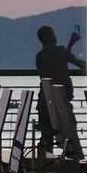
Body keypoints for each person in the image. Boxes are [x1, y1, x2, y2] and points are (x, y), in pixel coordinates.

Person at [34, 24, 83, 155]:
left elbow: (57, 61)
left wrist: (71, 44)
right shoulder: (60, 52)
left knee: (47, 138)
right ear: (51, 36)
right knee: (69, 134)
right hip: (61, 101)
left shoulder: (40, 57)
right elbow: (74, 61)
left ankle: (46, 165)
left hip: (45, 101)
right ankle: (69, 165)